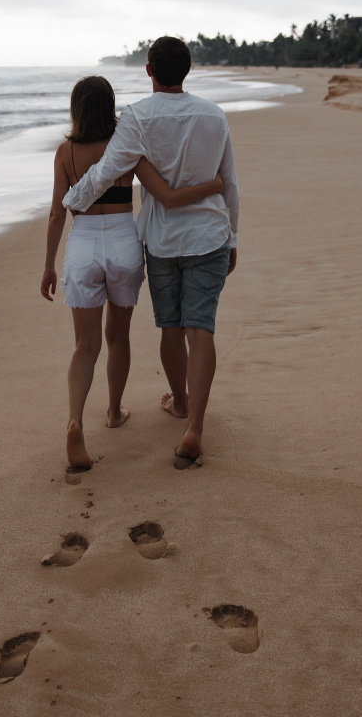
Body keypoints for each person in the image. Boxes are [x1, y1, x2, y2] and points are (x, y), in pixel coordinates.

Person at [62, 39, 239, 463]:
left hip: (161, 241)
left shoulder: (138, 117)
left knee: (171, 328)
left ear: (149, 70)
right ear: (187, 69)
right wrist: (232, 237)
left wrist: (72, 199)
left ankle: (180, 401)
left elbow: (105, 172)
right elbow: (229, 180)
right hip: (209, 236)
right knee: (201, 329)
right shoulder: (214, 115)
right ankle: (193, 427)